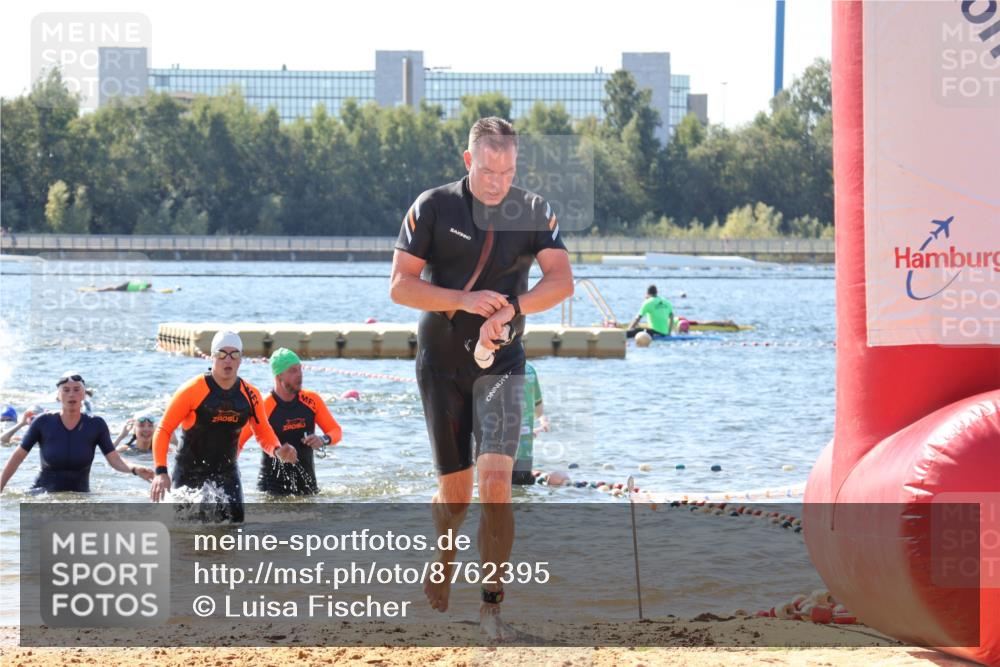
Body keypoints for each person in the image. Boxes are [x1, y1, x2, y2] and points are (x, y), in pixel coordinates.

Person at [390, 116, 574, 641]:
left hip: (504, 361)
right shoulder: (433, 206)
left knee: (495, 487)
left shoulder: (533, 210)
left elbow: (561, 281)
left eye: (509, 171)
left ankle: (492, 608)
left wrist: (513, 306)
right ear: (469, 161)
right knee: (457, 499)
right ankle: (444, 548)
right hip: (442, 364)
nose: (499, 183)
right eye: (489, 171)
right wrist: (462, 301)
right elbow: (401, 287)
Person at [149, 331, 297, 523]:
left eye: (234, 354)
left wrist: (277, 450)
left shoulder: (250, 394)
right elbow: (163, 429)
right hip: (188, 473)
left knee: (234, 528)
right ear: (212, 357)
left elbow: (262, 432)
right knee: (184, 534)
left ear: (240, 359)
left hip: (226, 473)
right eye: (222, 354)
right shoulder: (192, 390)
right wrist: (161, 472)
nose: (228, 360)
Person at [0, 372, 154, 493]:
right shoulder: (43, 422)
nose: (71, 394)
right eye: (66, 390)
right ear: (58, 395)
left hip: (81, 496)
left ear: (83, 394)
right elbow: (17, 457)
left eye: (76, 389)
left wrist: (135, 469)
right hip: (42, 494)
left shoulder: (96, 424)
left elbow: (115, 460)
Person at [238, 348, 342, 496]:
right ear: (278, 375)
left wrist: (323, 440)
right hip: (271, 492)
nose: (299, 375)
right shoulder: (264, 406)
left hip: (308, 488)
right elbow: (238, 442)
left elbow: (336, 431)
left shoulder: (312, 400)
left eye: (300, 369)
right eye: (293, 371)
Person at [512, 363, 548, 485]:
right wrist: (542, 419)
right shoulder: (530, 369)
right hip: (524, 441)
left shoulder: (494, 366)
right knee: (521, 484)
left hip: (501, 442)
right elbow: (538, 404)